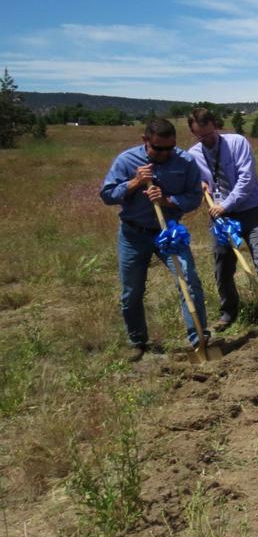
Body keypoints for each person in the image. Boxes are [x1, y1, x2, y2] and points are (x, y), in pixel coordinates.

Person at [100, 118, 209, 359]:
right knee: (132, 290)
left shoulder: (185, 162)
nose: (164, 153)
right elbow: (107, 195)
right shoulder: (127, 160)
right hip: (133, 234)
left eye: (170, 148)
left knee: (189, 280)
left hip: (169, 232)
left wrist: (167, 200)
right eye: (158, 149)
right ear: (145, 141)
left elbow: (194, 197)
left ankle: (200, 338)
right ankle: (137, 341)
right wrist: (134, 182)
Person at [186, 107, 258, 330]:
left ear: (216, 126)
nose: (205, 139)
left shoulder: (237, 143)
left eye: (208, 134)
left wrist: (226, 204)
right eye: (199, 136)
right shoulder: (193, 155)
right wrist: (199, 187)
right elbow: (194, 185)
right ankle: (228, 312)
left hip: (250, 211)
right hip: (220, 218)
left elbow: (247, 179)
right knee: (222, 265)